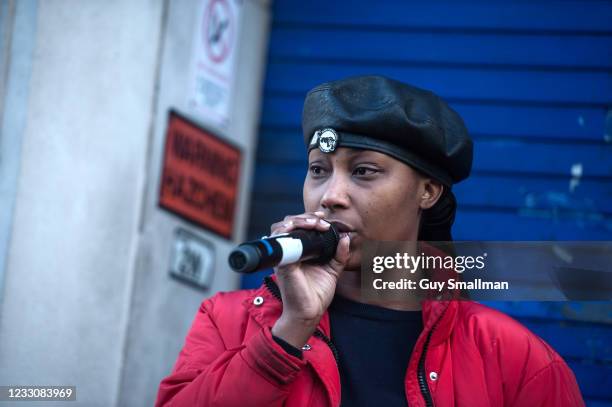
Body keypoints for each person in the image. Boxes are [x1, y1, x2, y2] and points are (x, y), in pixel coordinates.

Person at [155, 76, 585, 406]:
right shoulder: (228, 321)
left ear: (427, 192)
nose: (330, 197)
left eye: (363, 171)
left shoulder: (515, 358)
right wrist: (288, 331)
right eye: (319, 170)